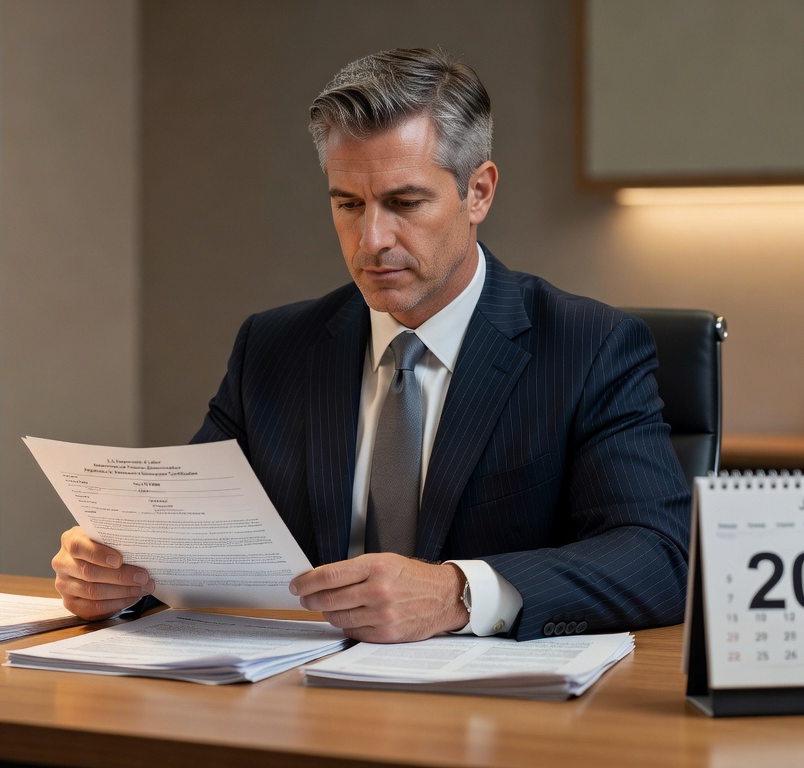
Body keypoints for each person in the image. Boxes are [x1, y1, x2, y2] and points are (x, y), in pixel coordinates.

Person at [52, 48, 690, 643]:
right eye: (348, 204)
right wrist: (117, 574)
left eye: (403, 202)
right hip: (296, 701)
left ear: (479, 192)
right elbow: (182, 539)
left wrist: (460, 592)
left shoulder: (590, 346)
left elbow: (659, 556)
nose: (371, 239)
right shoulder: (273, 347)